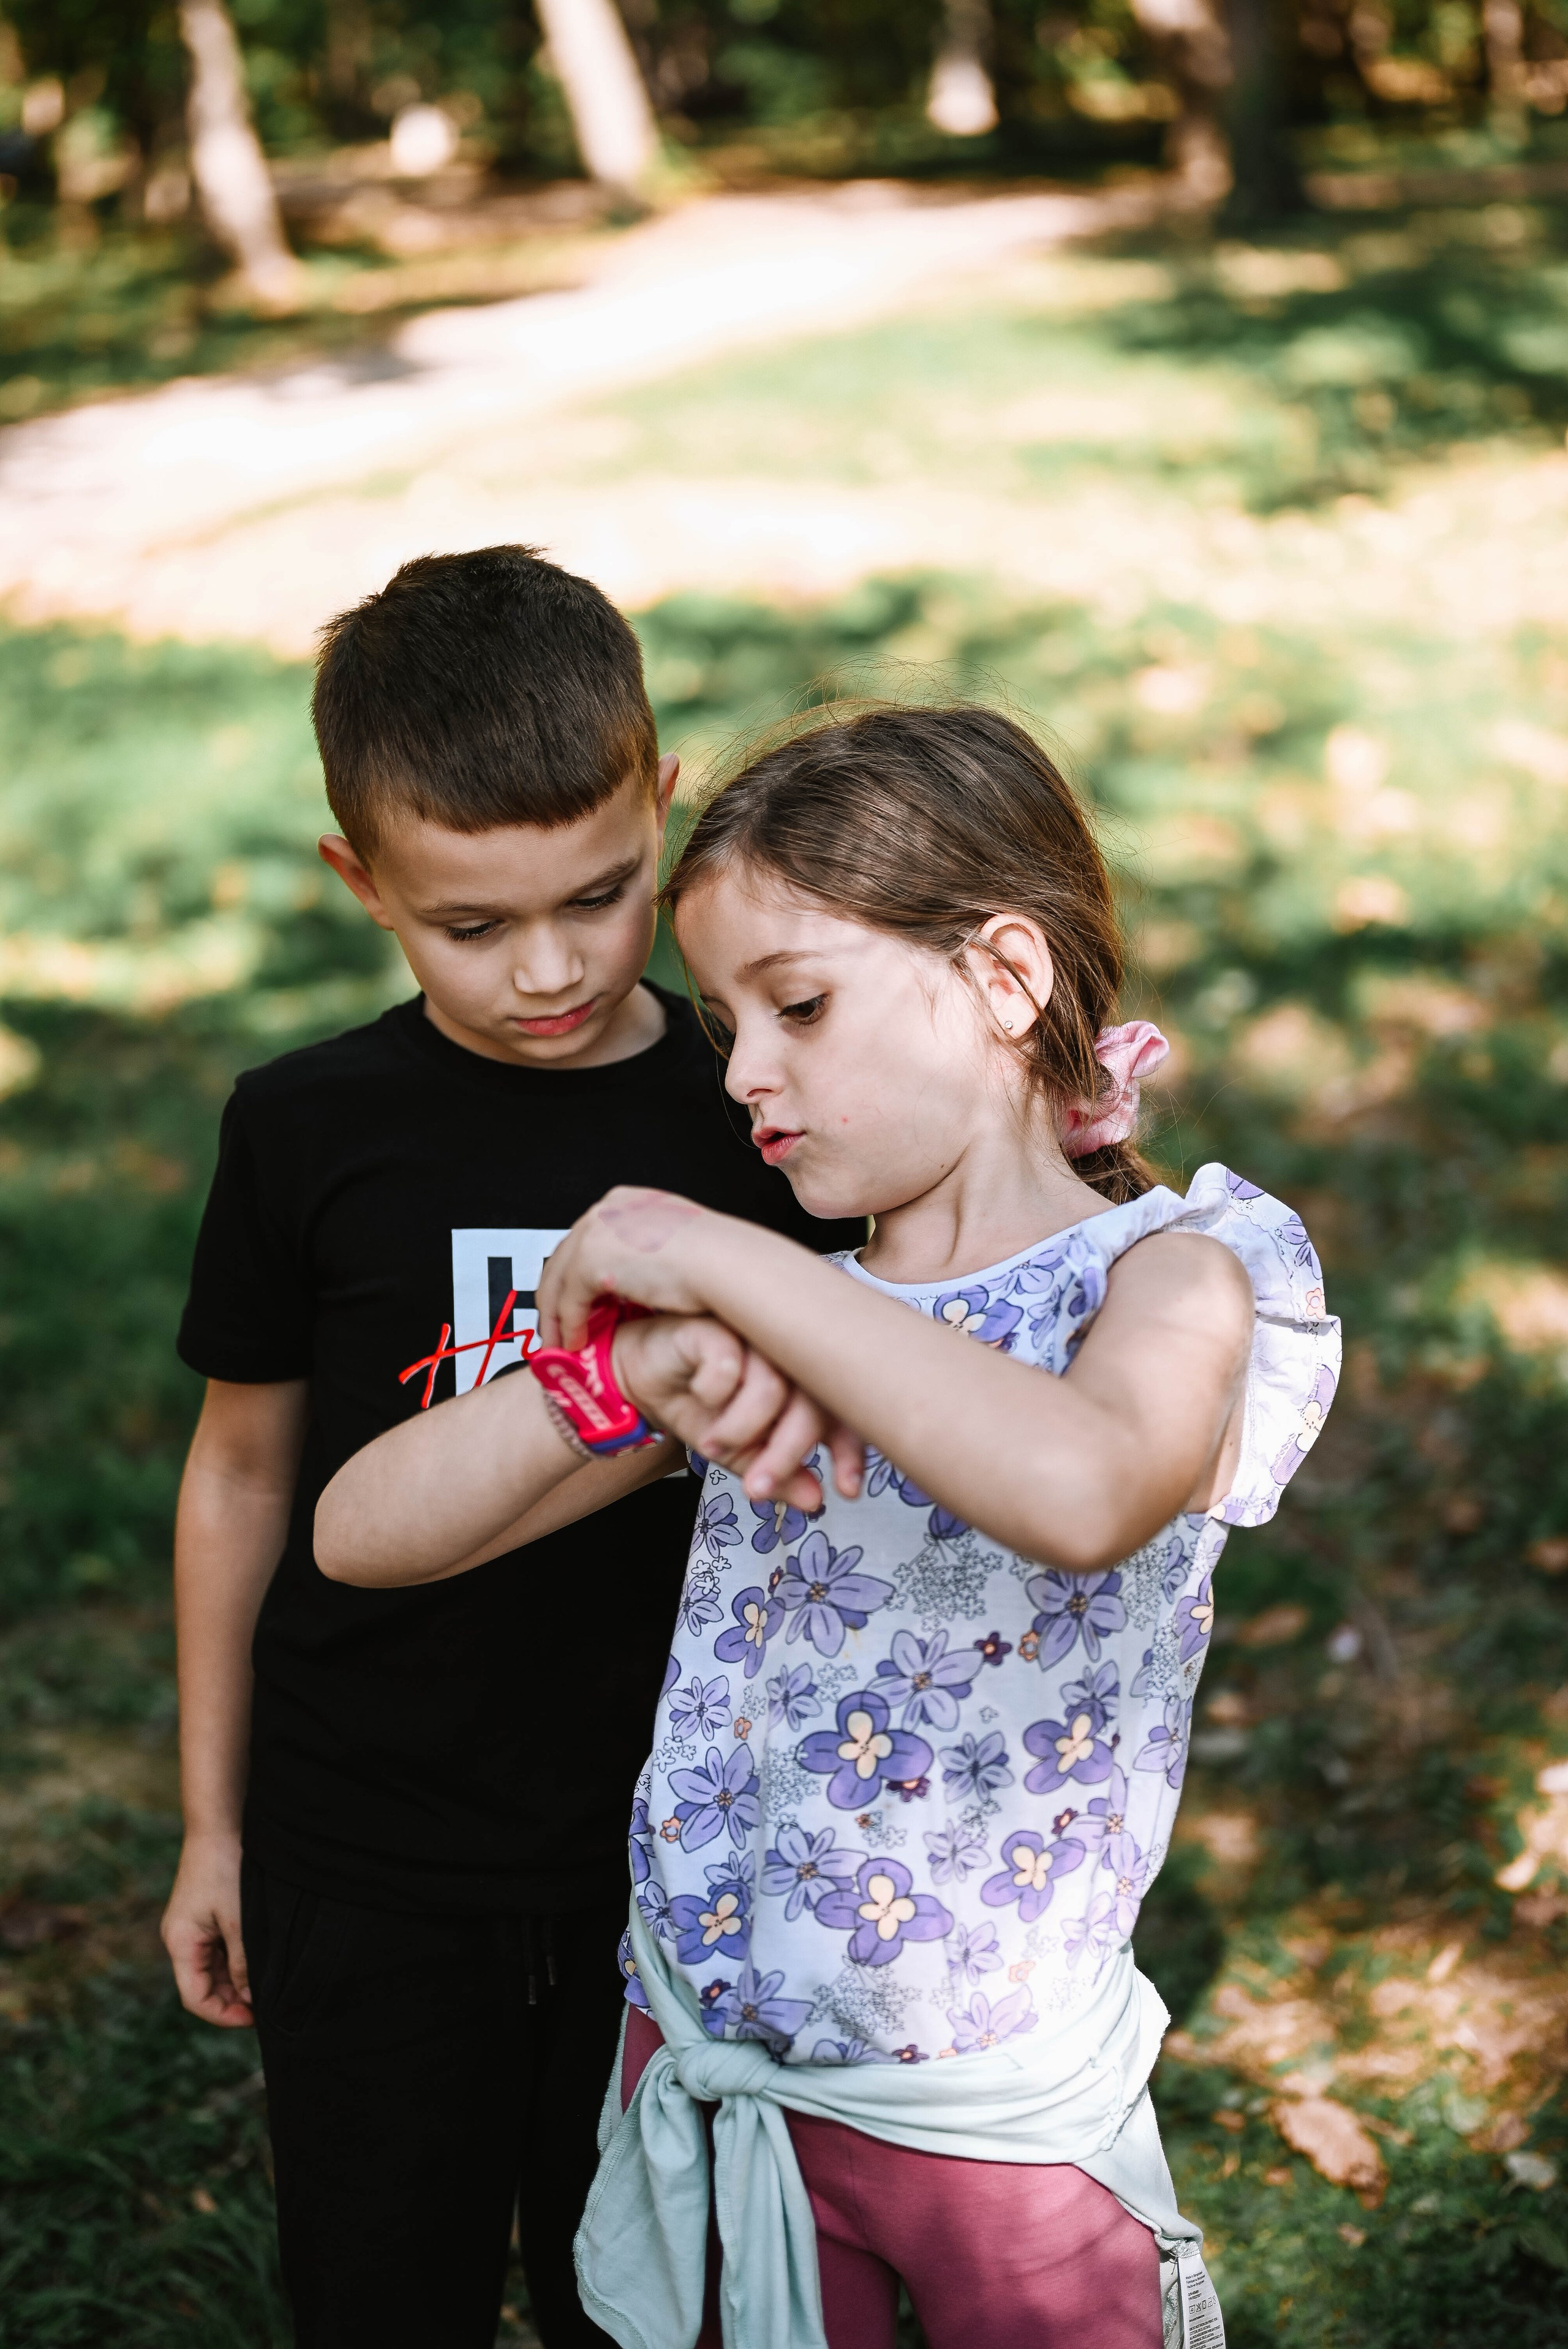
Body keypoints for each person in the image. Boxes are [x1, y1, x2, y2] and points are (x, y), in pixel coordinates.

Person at [318, 702, 1341, 2349]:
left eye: (796, 1004)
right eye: (723, 1018)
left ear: (1008, 979)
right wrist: (633, 1367)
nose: (741, 1073)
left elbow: (1082, 1487)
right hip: (722, 2079)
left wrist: (736, 1272)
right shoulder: (771, 1324)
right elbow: (365, 1532)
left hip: (991, 2124)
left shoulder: (1178, 1271)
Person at [159, 545, 865, 2349]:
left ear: (662, 803)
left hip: (677, 1853)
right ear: (362, 881)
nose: (548, 968)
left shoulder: (763, 1104)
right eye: (470, 925)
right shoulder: (306, 1127)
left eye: (605, 894)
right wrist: (212, 1825)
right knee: (380, 2294)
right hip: (366, 1852)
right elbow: (245, 1476)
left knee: (650, 2309)